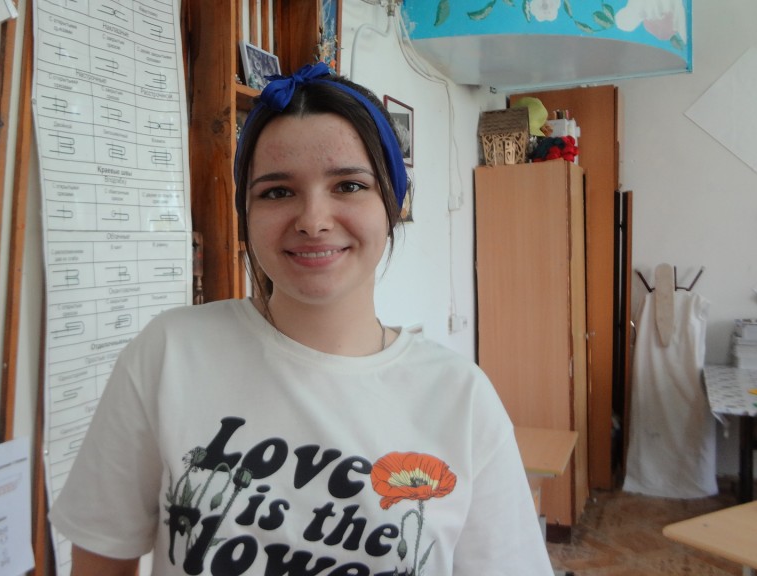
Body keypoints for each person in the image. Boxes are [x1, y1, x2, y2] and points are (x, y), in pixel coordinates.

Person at [49, 62, 553, 575]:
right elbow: (101, 556)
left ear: (392, 202)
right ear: (247, 213)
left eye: (349, 185)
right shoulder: (170, 353)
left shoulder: (461, 401)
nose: (313, 221)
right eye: (277, 192)